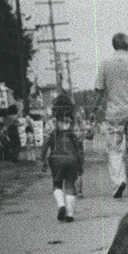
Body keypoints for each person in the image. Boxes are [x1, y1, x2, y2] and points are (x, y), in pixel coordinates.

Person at [94, 32, 128, 198]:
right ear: (127, 45)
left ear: (114, 45)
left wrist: (94, 109)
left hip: (114, 114)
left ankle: (118, 182)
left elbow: (99, 90)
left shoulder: (105, 64)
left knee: (114, 150)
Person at [40, 93, 84, 223]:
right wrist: (81, 163)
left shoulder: (51, 123)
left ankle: (61, 206)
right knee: (70, 185)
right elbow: (79, 144)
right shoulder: (73, 123)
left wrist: (42, 159)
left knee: (57, 184)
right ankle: (70, 214)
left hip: (56, 158)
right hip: (73, 157)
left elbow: (46, 144)